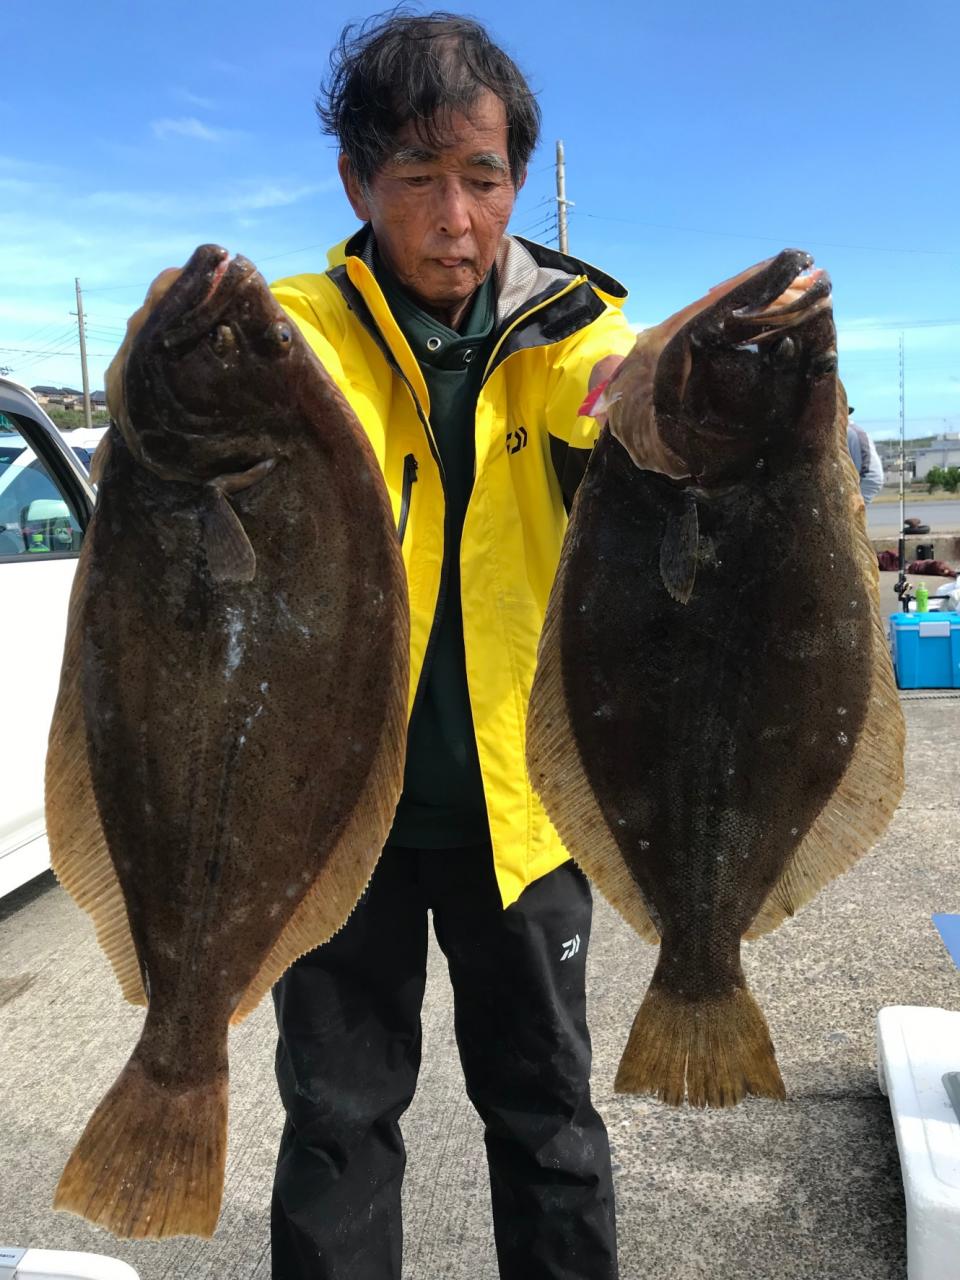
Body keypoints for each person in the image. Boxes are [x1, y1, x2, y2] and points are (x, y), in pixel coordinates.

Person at [268, 11, 634, 1280]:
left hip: (522, 813)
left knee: (549, 1120)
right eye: (417, 177)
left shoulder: (572, 329)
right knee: (336, 1123)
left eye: (482, 177)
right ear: (356, 183)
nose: (455, 218)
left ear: (518, 181)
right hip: (335, 818)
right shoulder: (298, 333)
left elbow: (620, 386)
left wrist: (661, 400)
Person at [846, 405, 884, 503]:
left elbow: (867, 467)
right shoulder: (850, 431)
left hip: (865, 482)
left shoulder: (851, 432)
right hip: (863, 481)